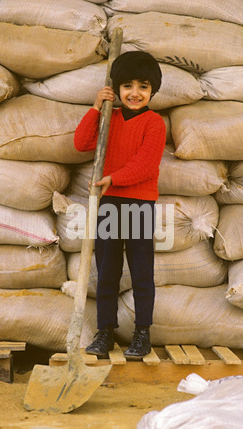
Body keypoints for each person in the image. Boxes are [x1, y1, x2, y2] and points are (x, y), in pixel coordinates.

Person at [74, 51, 166, 359]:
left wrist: (114, 178)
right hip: (108, 204)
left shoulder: (154, 123)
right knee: (107, 272)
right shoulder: (108, 119)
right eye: (127, 85)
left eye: (143, 86)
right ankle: (105, 332)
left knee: (141, 272)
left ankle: (142, 334)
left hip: (139, 204)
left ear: (153, 90)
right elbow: (81, 143)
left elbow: (146, 164)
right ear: (117, 89)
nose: (135, 93)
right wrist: (96, 106)